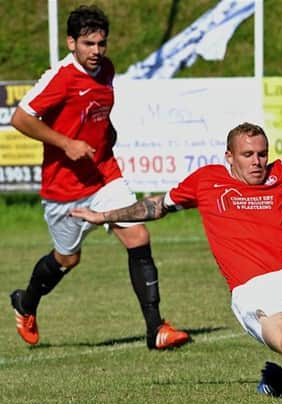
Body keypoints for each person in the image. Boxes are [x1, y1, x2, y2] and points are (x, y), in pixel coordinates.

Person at [71, 122, 282, 404]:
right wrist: (104, 216)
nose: (257, 162)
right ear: (229, 157)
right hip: (255, 290)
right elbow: (156, 207)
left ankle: (279, 381)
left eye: (262, 154)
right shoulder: (207, 181)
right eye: (248, 155)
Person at [9, 5, 189, 350]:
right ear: (71, 42)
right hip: (65, 187)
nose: (96, 51)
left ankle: (156, 330)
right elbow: (20, 118)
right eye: (88, 44)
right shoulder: (60, 77)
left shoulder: (106, 69)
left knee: (138, 235)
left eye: (101, 43)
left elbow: (97, 111)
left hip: (104, 172)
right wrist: (66, 143)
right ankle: (26, 302)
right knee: (67, 259)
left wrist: (106, 134)